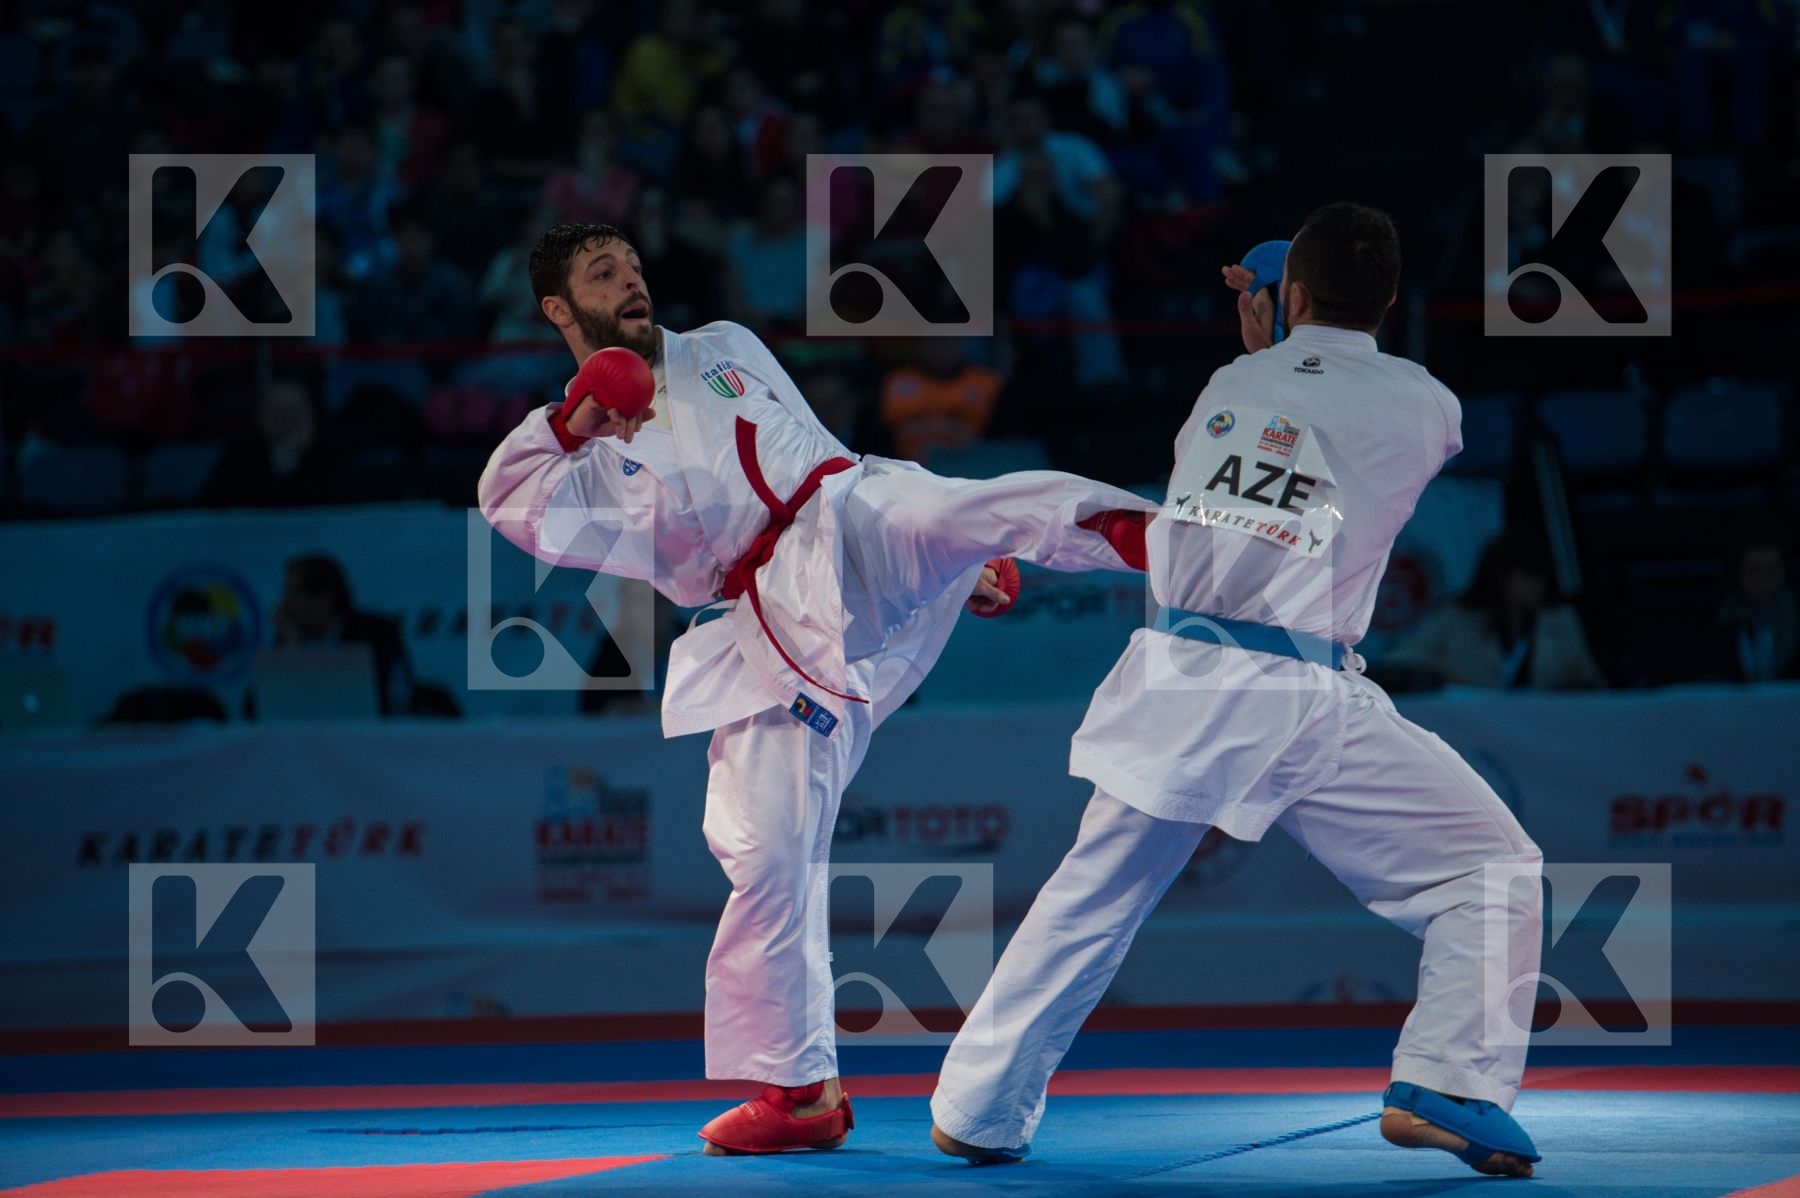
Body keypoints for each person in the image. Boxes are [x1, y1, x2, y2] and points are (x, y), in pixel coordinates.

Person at [477, 222, 1153, 1156]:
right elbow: (503, 501)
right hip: (762, 623)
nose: (632, 283)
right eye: (603, 275)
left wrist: (946, 564)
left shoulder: (724, 345)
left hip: (848, 516)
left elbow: (812, 452)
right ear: (558, 308)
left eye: (635, 266)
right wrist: (575, 419)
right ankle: (801, 1092)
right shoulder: (578, 456)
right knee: (763, 851)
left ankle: (1172, 542)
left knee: (963, 509)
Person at [929, 204, 1546, 1179]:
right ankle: (1449, 1078)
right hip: (1299, 689)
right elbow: (1328, 387)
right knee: (1493, 869)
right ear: (1388, 300)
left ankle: (976, 1106)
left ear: (1286, 299)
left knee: (1092, 895)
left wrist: (1270, 312)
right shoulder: (1430, 404)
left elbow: (1283, 389)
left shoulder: (1231, 380)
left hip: (1181, 673)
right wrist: (1290, 301)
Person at [1391, 534, 1607, 689]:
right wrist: (1442, 670)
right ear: (1501, 576)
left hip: (1546, 731)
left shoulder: (1561, 622)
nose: (1539, 585)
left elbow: (1591, 681)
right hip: (1477, 728)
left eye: (1543, 577)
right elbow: (1402, 659)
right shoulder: (1457, 617)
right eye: (1529, 575)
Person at [274, 554, 415, 717]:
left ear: (323, 599)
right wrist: (291, 651)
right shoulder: (288, 636)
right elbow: (258, 707)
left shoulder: (377, 634)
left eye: (292, 593)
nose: (284, 603)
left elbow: (390, 698)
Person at [1708, 532, 1797, 682]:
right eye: (1754, 570)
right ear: (1738, 573)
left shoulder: (1795, 622)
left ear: (1784, 573)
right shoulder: (1721, 623)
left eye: (1771, 570)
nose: (1763, 581)